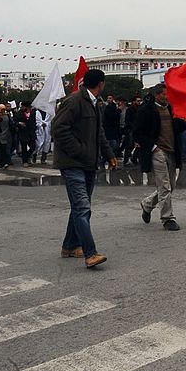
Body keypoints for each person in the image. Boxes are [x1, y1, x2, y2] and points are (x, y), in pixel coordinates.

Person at [52, 68, 117, 269]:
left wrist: (109, 155)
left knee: (80, 206)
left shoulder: (95, 104)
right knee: (82, 208)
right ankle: (90, 253)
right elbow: (58, 128)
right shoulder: (74, 101)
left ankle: (70, 246)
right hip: (73, 163)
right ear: (101, 84)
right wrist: (80, 150)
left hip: (88, 163)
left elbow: (99, 134)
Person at [133, 83, 185, 231]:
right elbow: (137, 132)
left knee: (171, 186)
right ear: (157, 95)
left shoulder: (170, 109)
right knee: (164, 186)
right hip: (157, 152)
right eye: (164, 94)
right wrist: (153, 147)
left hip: (172, 151)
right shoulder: (146, 111)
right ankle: (168, 218)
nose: (167, 97)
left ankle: (148, 204)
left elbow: (176, 127)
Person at [14, 102, 38, 166]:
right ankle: (24, 161)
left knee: (33, 147)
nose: (22, 108)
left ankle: (27, 156)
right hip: (23, 132)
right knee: (24, 147)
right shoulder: (19, 113)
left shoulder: (33, 113)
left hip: (31, 132)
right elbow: (15, 121)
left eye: (23, 107)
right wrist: (19, 123)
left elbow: (34, 122)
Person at [0, 104, 15, 169]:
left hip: (7, 134)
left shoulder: (7, 115)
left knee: (7, 149)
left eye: (4, 109)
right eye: (2, 110)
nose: (3, 111)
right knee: (2, 149)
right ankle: (0, 162)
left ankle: (6, 162)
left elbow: (11, 123)